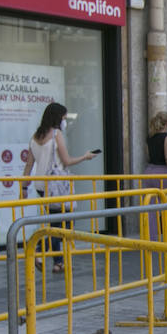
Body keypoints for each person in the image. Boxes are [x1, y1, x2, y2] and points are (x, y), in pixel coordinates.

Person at [23, 101, 100, 273]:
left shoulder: (35, 137)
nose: (65, 122)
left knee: (56, 221)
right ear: (58, 118)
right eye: (64, 118)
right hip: (57, 185)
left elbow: (28, 165)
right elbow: (66, 161)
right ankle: (39, 248)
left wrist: (23, 187)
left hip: (41, 185)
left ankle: (58, 261)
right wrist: (85, 157)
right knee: (63, 224)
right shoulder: (56, 134)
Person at [142, 111, 167, 258]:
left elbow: (148, 156)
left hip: (149, 171)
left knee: (151, 206)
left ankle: (150, 239)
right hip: (164, 172)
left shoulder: (149, 138)